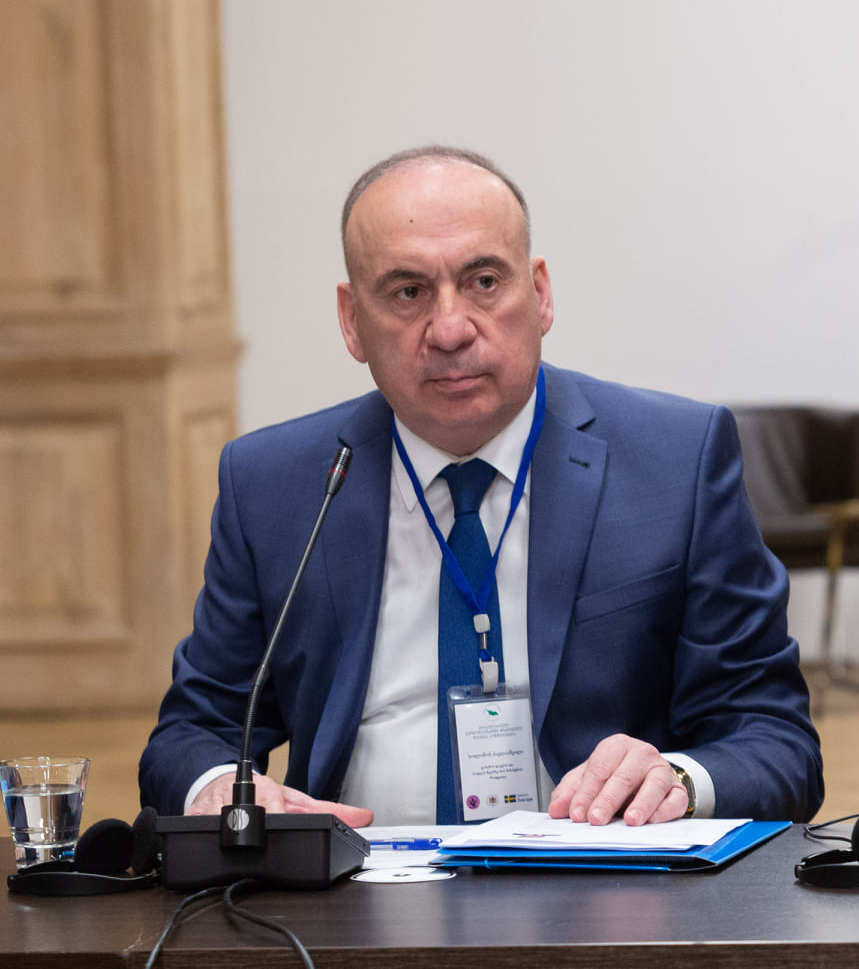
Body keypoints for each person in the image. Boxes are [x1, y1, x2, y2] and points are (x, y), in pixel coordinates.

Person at [140, 147, 821, 827]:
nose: (450, 329)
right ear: (351, 320)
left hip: (600, 876)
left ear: (541, 293)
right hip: (352, 879)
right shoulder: (275, 484)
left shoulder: (675, 461)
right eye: (407, 292)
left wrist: (677, 780)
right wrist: (220, 785)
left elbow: (775, 741)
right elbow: (192, 732)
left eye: (484, 281)